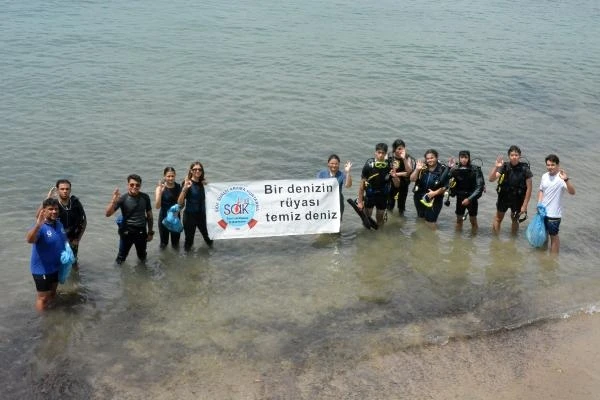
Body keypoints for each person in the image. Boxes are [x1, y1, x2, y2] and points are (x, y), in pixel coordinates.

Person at [26, 198, 67, 311]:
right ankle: (42, 323)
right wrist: (38, 225)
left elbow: (63, 239)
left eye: (56, 209)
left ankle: (52, 315)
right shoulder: (40, 227)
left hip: (56, 267)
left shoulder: (59, 223)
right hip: (41, 269)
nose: (54, 211)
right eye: (50, 209)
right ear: (43, 211)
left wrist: (68, 252)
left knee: (53, 293)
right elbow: (29, 240)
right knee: (43, 298)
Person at [105, 174, 154, 264]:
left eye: (137, 185)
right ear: (128, 185)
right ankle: (119, 277)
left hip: (141, 232)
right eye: (132, 185)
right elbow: (108, 214)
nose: (134, 187)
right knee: (120, 259)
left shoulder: (145, 197)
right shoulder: (122, 199)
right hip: (127, 233)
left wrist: (150, 232)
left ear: (140, 186)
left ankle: (143, 276)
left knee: (142, 257)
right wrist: (113, 201)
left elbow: (150, 216)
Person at [488, 145, 533, 235]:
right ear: (509, 156)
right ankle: (495, 240)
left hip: (517, 199)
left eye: (516, 155)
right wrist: (496, 167)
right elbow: (491, 179)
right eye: (512, 155)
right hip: (504, 197)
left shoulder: (525, 169)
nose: (514, 157)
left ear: (519, 156)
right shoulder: (504, 166)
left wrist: (525, 205)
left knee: (515, 219)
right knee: (498, 218)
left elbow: (529, 188)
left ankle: (513, 240)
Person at [43, 179, 86, 270]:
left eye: (67, 189)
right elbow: (40, 217)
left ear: (70, 190)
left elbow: (84, 221)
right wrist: (47, 198)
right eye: (62, 189)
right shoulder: (53, 205)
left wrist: (78, 239)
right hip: (58, 239)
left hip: (73, 239)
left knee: (74, 262)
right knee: (57, 264)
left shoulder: (75, 203)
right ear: (57, 190)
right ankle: (60, 283)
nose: (65, 191)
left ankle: (76, 282)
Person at [537, 154, 575, 254]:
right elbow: (541, 190)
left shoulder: (561, 178)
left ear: (558, 165)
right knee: (543, 234)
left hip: (554, 215)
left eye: (552, 165)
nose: (550, 167)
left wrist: (566, 180)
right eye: (548, 165)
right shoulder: (544, 176)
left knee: (553, 237)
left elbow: (572, 192)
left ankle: (553, 260)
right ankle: (543, 257)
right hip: (543, 212)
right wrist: (539, 204)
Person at [357, 143, 398, 227]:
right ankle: (367, 234)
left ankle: (380, 235)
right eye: (379, 152)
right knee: (367, 217)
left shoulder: (389, 166)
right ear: (375, 153)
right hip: (370, 194)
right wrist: (360, 202)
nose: (380, 155)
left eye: (383, 153)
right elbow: (361, 185)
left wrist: (394, 176)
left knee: (380, 218)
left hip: (383, 195)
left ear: (386, 154)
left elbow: (397, 185)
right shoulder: (368, 165)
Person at [178, 161, 213, 250]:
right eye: (195, 169)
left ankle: (212, 258)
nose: (197, 171)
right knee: (189, 242)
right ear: (191, 171)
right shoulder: (187, 183)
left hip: (202, 216)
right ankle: (188, 262)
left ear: (202, 171)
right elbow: (179, 202)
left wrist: (208, 185)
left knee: (209, 238)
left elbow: (212, 197)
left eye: (199, 169)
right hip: (190, 216)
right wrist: (185, 188)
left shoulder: (203, 183)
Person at [410, 149, 449, 229]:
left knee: (430, 222)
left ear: (436, 157)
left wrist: (434, 193)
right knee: (421, 218)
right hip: (419, 196)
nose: (429, 160)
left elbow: (446, 186)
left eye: (432, 158)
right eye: (427, 158)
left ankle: (432, 240)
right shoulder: (421, 166)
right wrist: (417, 169)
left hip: (435, 199)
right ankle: (421, 238)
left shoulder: (443, 169)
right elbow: (412, 179)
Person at [447, 150, 485, 232]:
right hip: (460, 198)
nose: (464, 159)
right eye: (462, 157)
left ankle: (473, 239)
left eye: (466, 157)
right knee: (459, 220)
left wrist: (469, 199)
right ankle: (457, 240)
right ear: (459, 158)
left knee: (473, 220)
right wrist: (449, 168)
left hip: (472, 198)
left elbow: (479, 187)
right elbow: (447, 181)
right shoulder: (455, 169)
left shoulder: (476, 170)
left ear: (469, 158)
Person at [155, 167, 182, 249]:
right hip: (163, 219)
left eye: (172, 176)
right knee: (163, 244)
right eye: (168, 176)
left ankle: (175, 261)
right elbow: (157, 206)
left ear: (175, 176)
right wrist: (160, 193)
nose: (170, 178)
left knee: (175, 244)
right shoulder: (159, 188)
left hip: (175, 219)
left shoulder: (178, 187)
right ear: (164, 176)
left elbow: (181, 203)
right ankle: (163, 261)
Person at [387, 139, 415, 216]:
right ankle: (389, 221)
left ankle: (401, 222)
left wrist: (403, 159)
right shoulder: (390, 156)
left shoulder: (408, 157)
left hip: (404, 183)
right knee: (390, 204)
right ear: (394, 149)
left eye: (403, 148)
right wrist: (403, 173)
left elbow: (409, 171)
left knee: (401, 206)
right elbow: (387, 170)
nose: (401, 151)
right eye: (399, 149)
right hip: (392, 183)